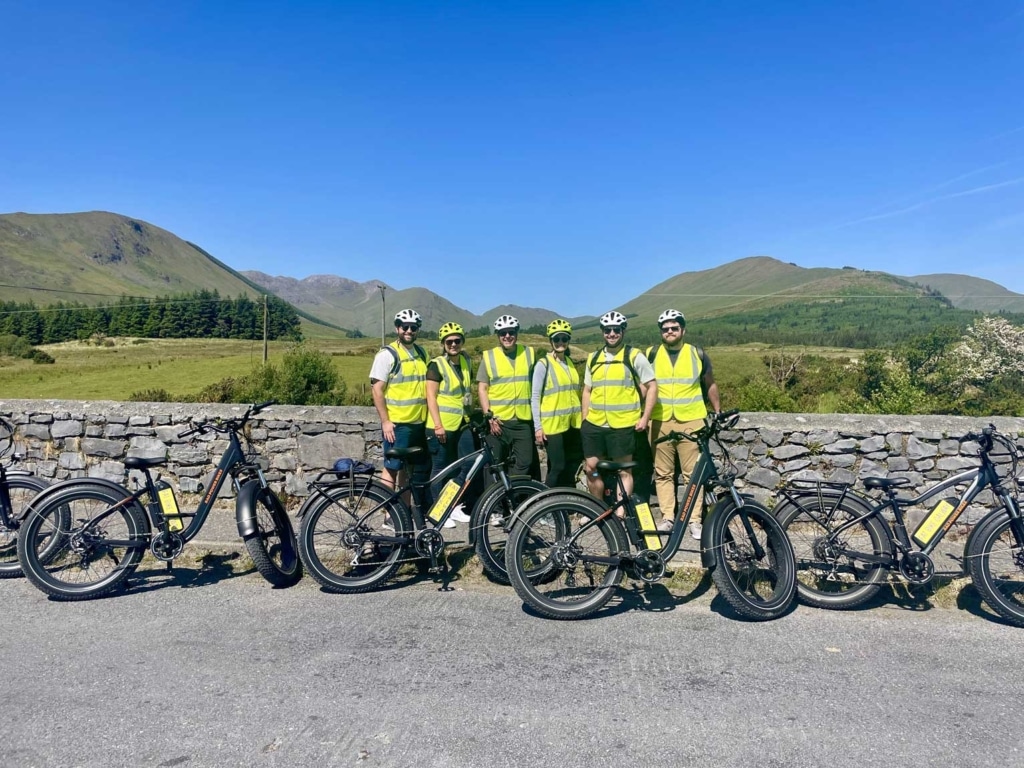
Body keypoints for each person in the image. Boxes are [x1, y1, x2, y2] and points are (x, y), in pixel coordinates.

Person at [648, 309, 721, 537]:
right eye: (665, 328)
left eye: (674, 328)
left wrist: (718, 411)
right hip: (659, 421)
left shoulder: (696, 353)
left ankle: (694, 520)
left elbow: (709, 383)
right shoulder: (651, 354)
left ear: (683, 330)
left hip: (691, 420)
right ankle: (668, 517)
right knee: (663, 473)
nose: (669, 332)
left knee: (692, 475)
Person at [581, 310, 657, 503]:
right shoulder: (593, 357)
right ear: (602, 332)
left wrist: (645, 417)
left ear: (623, 331)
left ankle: (622, 513)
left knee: (624, 470)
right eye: (607, 330)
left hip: (623, 424)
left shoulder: (634, 356)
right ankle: (597, 507)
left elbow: (652, 386)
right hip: (596, 423)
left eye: (616, 329)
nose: (612, 334)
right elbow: (587, 390)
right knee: (591, 468)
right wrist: (585, 419)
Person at [369, 308, 433, 519]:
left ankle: (403, 514)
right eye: (404, 327)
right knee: (391, 469)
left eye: (413, 328)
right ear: (397, 328)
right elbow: (377, 389)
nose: (409, 331)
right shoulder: (387, 355)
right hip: (397, 424)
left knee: (407, 471)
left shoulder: (422, 353)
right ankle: (387, 515)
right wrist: (386, 421)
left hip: (417, 423)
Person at [425, 322, 476, 526]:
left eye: (457, 340)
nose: (453, 344)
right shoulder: (436, 365)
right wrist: (438, 425)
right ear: (443, 344)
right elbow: (431, 396)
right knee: (440, 469)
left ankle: (453, 505)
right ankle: (438, 511)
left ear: (462, 342)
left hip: (462, 422)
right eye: (449, 342)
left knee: (469, 464)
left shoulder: (466, 360)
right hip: (441, 425)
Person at [477, 314, 538, 481]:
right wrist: (489, 416)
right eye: (503, 333)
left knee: (525, 462)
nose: (507, 336)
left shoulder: (529, 353)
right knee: (494, 465)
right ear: (498, 335)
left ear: (517, 333)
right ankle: (493, 506)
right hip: (498, 422)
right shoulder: (489, 357)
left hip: (522, 420)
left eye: (511, 332)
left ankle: (514, 498)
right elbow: (482, 388)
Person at [531, 319, 583, 488]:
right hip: (552, 426)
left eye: (564, 339)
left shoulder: (569, 363)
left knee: (570, 463)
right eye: (557, 339)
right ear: (550, 341)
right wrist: (538, 427)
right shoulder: (543, 364)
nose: (561, 342)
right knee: (558, 466)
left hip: (571, 424)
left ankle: (564, 501)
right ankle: (545, 504)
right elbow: (535, 397)